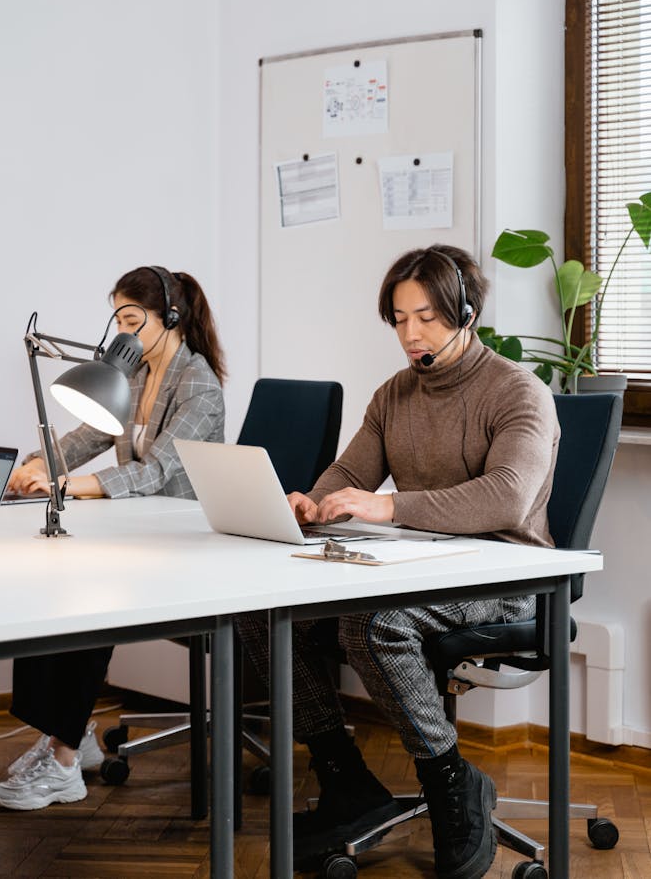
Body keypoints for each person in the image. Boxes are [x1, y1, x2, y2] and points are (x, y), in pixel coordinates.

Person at [236, 245, 560, 879]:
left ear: (467, 312)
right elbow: (352, 470)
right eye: (399, 319)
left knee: (369, 623)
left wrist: (388, 508)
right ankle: (345, 778)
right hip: (421, 567)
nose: (411, 334)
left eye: (428, 318)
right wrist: (316, 498)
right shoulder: (394, 395)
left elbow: (508, 495)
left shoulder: (518, 391)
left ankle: (450, 783)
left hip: (505, 575)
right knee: (259, 610)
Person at [0, 265, 226, 812]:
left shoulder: (200, 386)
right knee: (49, 572)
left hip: (191, 544)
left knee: (90, 589)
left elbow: (158, 472)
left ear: (170, 318)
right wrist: (34, 466)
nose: (121, 331)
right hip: (144, 532)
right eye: (116, 318)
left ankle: (65, 760)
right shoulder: (136, 375)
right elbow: (91, 434)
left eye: (130, 318)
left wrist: (70, 484)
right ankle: (66, 734)